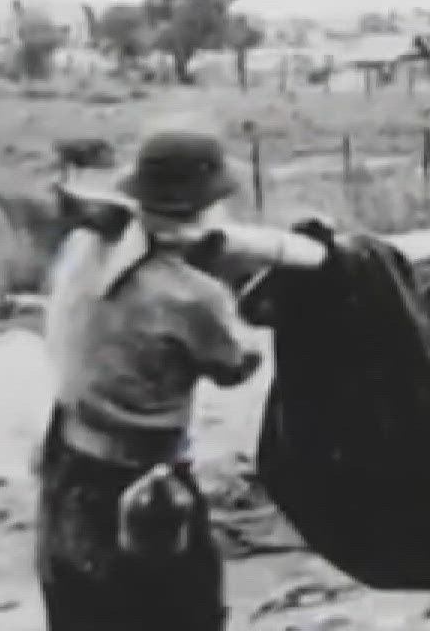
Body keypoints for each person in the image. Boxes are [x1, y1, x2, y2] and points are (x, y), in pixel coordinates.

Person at [36, 117, 263, 630]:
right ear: (205, 204)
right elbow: (239, 365)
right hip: (143, 481)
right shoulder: (191, 295)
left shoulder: (84, 245)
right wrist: (215, 287)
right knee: (183, 614)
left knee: (79, 613)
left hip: (68, 463)